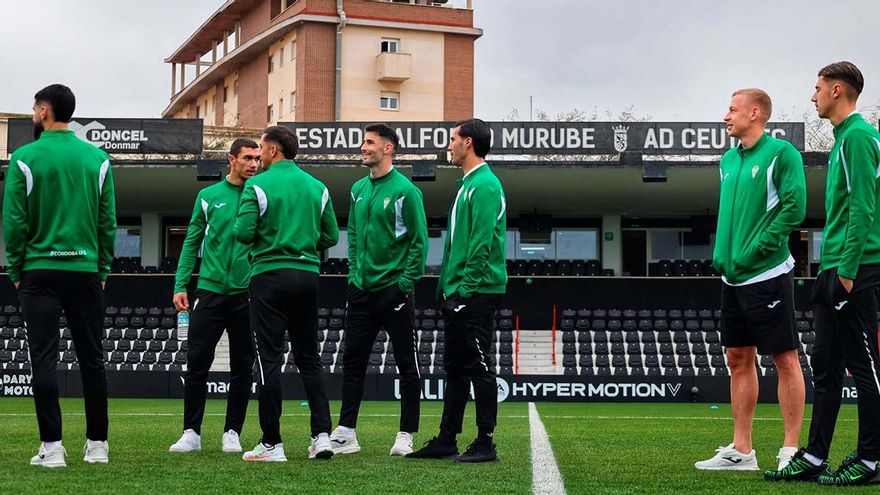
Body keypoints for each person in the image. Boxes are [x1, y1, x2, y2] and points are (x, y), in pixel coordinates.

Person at [766, 61, 880, 486]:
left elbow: (864, 208)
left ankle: (870, 460)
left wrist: (848, 271)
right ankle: (814, 456)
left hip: (855, 269)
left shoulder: (859, 138)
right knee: (826, 366)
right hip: (832, 268)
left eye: (816, 89)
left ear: (837, 90)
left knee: (863, 365)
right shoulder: (842, 140)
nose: (812, 96)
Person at [3, 84, 116, 467]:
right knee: (93, 359)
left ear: (44, 111)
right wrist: (101, 269)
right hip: (84, 271)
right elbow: (107, 222)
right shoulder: (97, 159)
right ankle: (97, 446)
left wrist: (16, 269)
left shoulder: (24, 157)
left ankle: (52, 448)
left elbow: (14, 222)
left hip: (39, 271)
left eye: (35, 108)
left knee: (44, 360)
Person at [696, 88, 806, 472]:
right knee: (737, 358)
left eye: (732, 109)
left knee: (784, 358)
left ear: (755, 113)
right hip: (733, 277)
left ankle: (791, 448)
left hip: (768, 273)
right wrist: (725, 257)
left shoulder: (781, 154)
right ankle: (742, 450)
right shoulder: (727, 160)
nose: (726, 116)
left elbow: (795, 208)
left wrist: (759, 247)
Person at [234, 125, 339, 462]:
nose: (258, 156)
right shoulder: (317, 187)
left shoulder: (257, 185)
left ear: (274, 150)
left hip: (269, 277)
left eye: (261, 149)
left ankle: (272, 443)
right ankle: (322, 436)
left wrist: (272, 239)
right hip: (308, 276)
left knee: (269, 359)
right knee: (309, 358)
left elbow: (242, 232)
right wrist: (303, 242)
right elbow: (331, 237)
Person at [407, 118, 507, 463]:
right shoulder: (468, 185)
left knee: (478, 365)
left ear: (468, 143)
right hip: (459, 291)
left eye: (452, 140)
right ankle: (447, 438)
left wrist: (464, 292)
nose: (447, 145)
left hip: (475, 291)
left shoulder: (486, 186)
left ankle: (486, 442)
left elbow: (480, 244)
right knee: (455, 367)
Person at [329, 123, 428, 456]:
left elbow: (419, 242)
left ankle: (406, 434)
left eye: (369, 142)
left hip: (394, 291)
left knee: (406, 362)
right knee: (353, 361)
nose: (363, 147)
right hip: (361, 290)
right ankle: (345, 433)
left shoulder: (405, 190)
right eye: (363, 142)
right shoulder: (357, 189)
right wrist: (355, 274)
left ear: (388, 148)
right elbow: (353, 236)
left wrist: (404, 283)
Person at [168, 139, 259, 454]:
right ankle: (191, 432)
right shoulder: (208, 196)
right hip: (209, 291)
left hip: (246, 294)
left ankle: (232, 432)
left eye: (258, 159)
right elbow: (192, 241)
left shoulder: (261, 196)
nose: (254, 164)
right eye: (247, 158)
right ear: (231, 159)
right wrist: (181, 283)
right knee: (197, 363)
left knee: (243, 367)